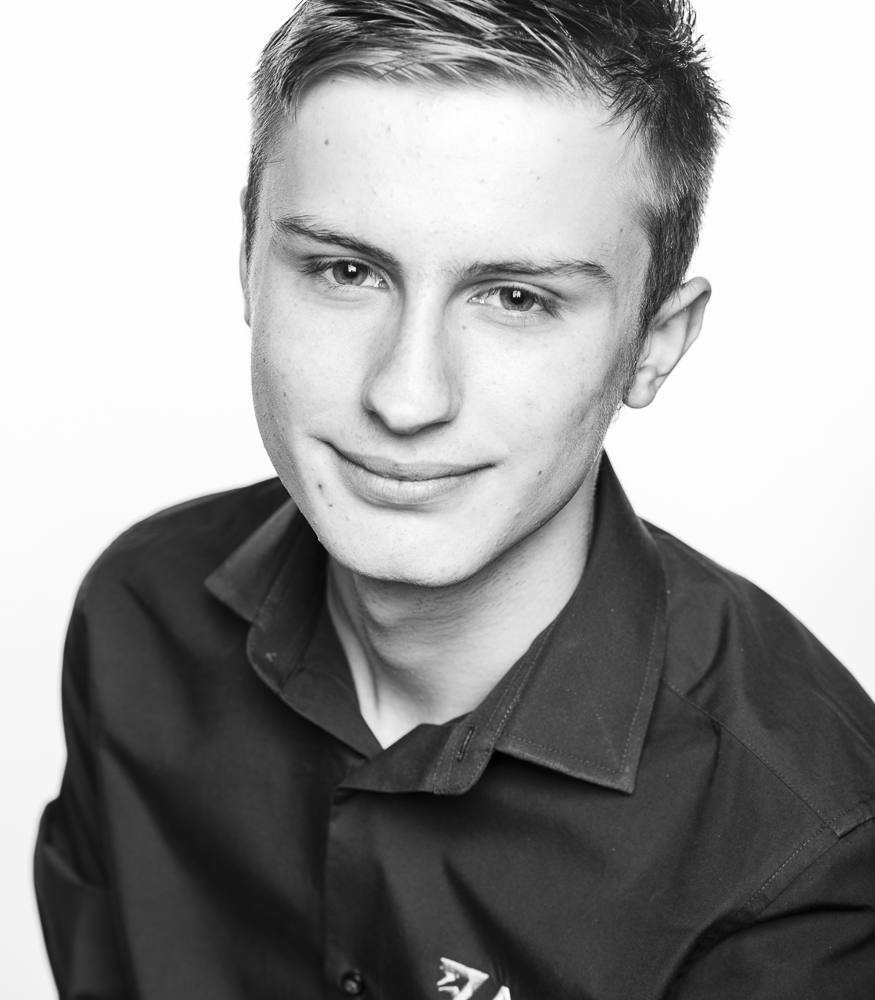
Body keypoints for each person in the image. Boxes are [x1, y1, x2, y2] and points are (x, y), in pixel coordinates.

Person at [34, 1, 875, 997]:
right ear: (247, 262)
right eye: (345, 271)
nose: (405, 397)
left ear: (653, 342)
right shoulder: (140, 613)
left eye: (516, 298)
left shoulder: (799, 844)